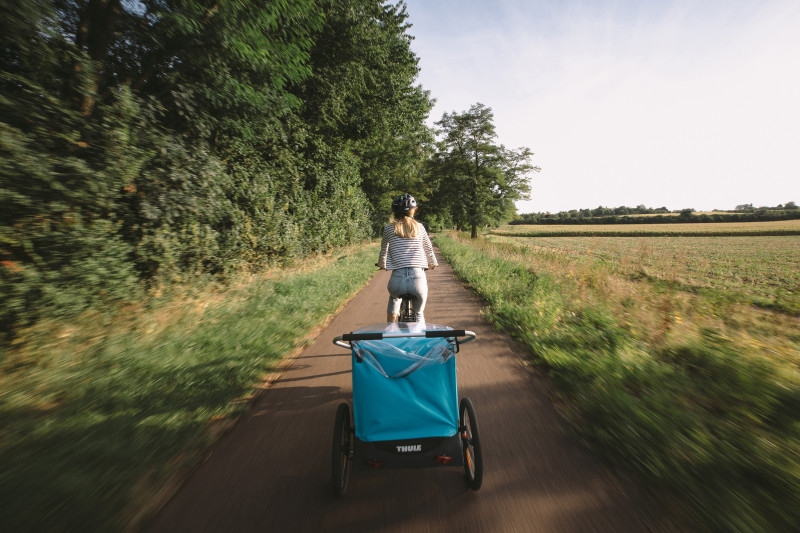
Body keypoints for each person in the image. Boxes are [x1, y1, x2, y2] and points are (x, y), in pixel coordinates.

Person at [377, 194, 438, 323]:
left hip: (397, 283)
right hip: (418, 281)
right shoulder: (420, 227)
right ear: (414, 210)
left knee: (394, 299)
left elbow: (383, 251)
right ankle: (419, 337)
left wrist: (382, 264)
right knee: (419, 313)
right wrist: (433, 263)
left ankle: (391, 330)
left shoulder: (388, 228)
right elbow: (428, 248)